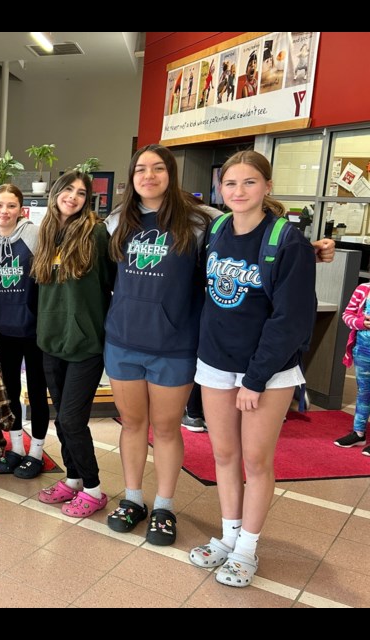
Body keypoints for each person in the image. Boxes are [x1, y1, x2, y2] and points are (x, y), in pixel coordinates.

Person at [189, 150, 315, 588]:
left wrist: (256, 379)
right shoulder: (219, 228)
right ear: (220, 189)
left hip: (267, 371)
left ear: (266, 186)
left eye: (248, 183)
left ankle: (247, 549)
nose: (238, 191)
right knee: (223, 455)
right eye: (230, 184)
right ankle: (228, 535)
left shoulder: (288, 241)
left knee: (256, 460)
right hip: (216, 364)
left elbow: (291, 319)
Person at [104, 144, 215, 544]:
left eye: (157, 169)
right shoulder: (117, 221)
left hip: (174, 344)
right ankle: (133, 499)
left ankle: (164, 506)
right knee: (132, 424)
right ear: (131, 178)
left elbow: (248, 236)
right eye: (140, 170)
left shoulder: (201, 222)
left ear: (171, 174)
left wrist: (306, 250)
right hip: (123, 341)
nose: (148, 176)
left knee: (166, 429)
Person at [33, 171, 115, 515]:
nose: (74, 197)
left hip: (85, 343)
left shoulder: (95, 233)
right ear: (55, 193)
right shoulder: (48, 231)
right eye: (68, 189)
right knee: (61, 419)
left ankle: (94, 489)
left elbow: (110, 283)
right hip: (52, 339)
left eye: (81, 193)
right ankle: (73, 479)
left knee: (71, 419)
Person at [0, 184, 51, 478]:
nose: (4, 211)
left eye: (11, 206)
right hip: (3, 331)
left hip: (34, 329)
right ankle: (16, 447)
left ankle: (36, 450)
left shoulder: (34, 235)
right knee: (9, 391)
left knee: (37, 391)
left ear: (21, 210)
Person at [334, 281, 370, 455]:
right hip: (363, 351)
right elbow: (347, 315)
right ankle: (359, 433)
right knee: (363, 391)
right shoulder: (363, 289)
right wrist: (362, 322)